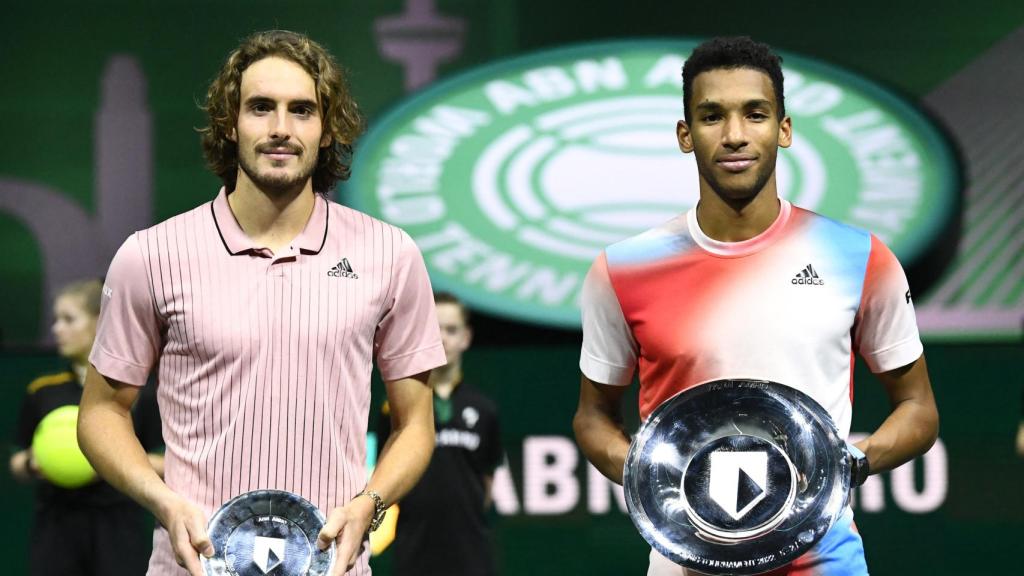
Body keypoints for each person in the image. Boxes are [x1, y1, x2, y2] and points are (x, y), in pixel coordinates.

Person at [77, 30, 445, 576]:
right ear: (230, 123)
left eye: (302, 110)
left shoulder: (390, 254)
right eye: (260, 108)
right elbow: (100, 413)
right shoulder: (151, 255)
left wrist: (368, 506)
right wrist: (162, 501)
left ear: (326, 129)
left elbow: (416, 423)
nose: (280, 129)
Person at [573, 36, 939, 576]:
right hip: (687, 563)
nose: (735, 135)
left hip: (823, 560)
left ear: (784, 130)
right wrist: (656, 475)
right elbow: (592, 419)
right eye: (712, 116)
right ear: (685, 134)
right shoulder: (623, 269)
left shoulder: (860, 257)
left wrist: (849, 464)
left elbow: (919, 410)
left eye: (756, 114)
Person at [9, 279, 164, 576]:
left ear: (99, 321)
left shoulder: (138, 392)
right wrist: (32, 463)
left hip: (117, 526)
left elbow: (166, 461)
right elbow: (17, 462)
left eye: (68, 319)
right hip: (56, 524)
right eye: (55, 320)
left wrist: (107, 460)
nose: (57, 329)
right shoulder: (42, 390)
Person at [375, 292, 504, 576]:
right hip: (414, 548)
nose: (443, 337)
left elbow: (488, 482)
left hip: (471, 552)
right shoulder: (396, 408)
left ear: (466, 338)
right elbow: (383, 475)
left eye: (452, 329)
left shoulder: (484, 409)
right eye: (435, 328)